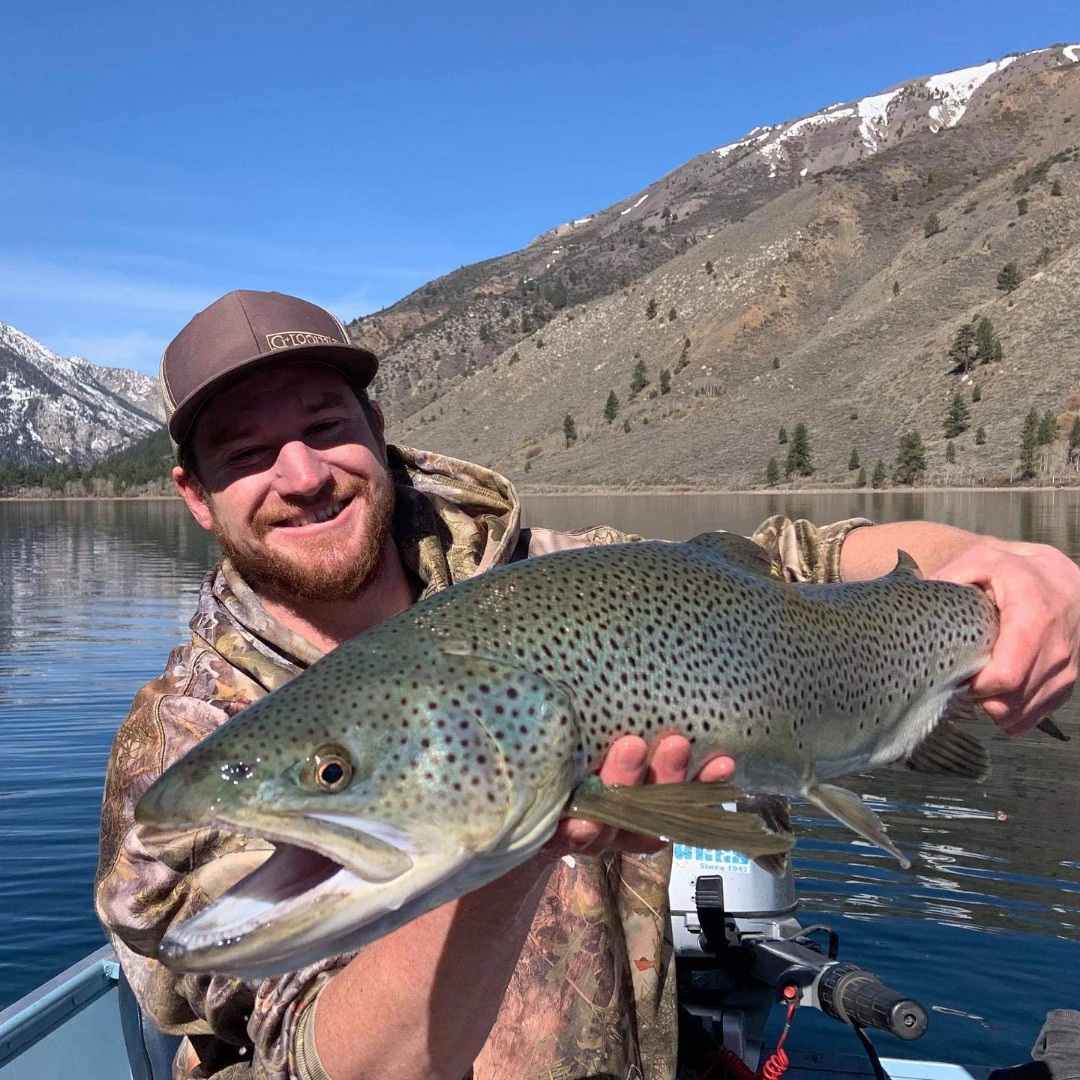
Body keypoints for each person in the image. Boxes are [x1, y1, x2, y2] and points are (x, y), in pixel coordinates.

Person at [95, 289, 1080, 1080]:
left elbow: (809, 559)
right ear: (194, 493)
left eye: (323, 425)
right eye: (247, 453)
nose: (302, 473)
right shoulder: (183, 749)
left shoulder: (562, 577)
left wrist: (1004, 572)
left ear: (377, 427)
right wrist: (519, 845)